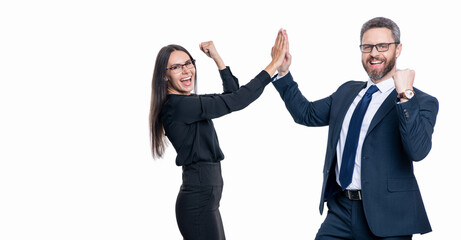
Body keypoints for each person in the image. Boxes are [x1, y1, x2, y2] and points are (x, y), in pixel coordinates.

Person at [272, 17, 438, 239]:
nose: (374, 53)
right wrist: (283, 73)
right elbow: (306, 114)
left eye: (382, 46)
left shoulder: (420, 101)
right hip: (340, 211)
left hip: (389, 217)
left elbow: (418, 151)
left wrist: (405, 96)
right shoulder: (347, 92)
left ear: (398, 50)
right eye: (367, 47)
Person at [149, 30, 287, 239]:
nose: (186, 70)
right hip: (197, 200)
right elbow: (238, 100)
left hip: (206, 197)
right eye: (176, 67)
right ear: (164, 75)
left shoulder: (190, 103)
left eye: (188, 63)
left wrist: (217, 58)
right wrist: (273, 65)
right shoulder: (178, 106)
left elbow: (231, 95)